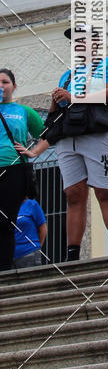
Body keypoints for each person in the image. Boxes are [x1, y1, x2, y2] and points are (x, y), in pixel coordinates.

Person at [19, 29, 108, 261]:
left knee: (106, 191)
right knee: (73, 195)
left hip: (99, 136)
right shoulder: (67, 76)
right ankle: (72, 255)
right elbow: (57, 113)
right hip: (69, 139)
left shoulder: (107, 64)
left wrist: (73, 96)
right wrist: (55, 101)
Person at [0, 68, 44, 270]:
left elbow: (47, 134)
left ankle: (4, 271)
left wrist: (33, 152)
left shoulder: (23, 111)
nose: (1, 86)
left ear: (14, 86)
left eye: (5, 82)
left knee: (6, 222)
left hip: (14, 169)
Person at [14, 196, 47, 268]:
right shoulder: (5, 207)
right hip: (7, 256)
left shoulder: (32, 204)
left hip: (29, 253)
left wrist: (36, 248)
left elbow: (43, 228)